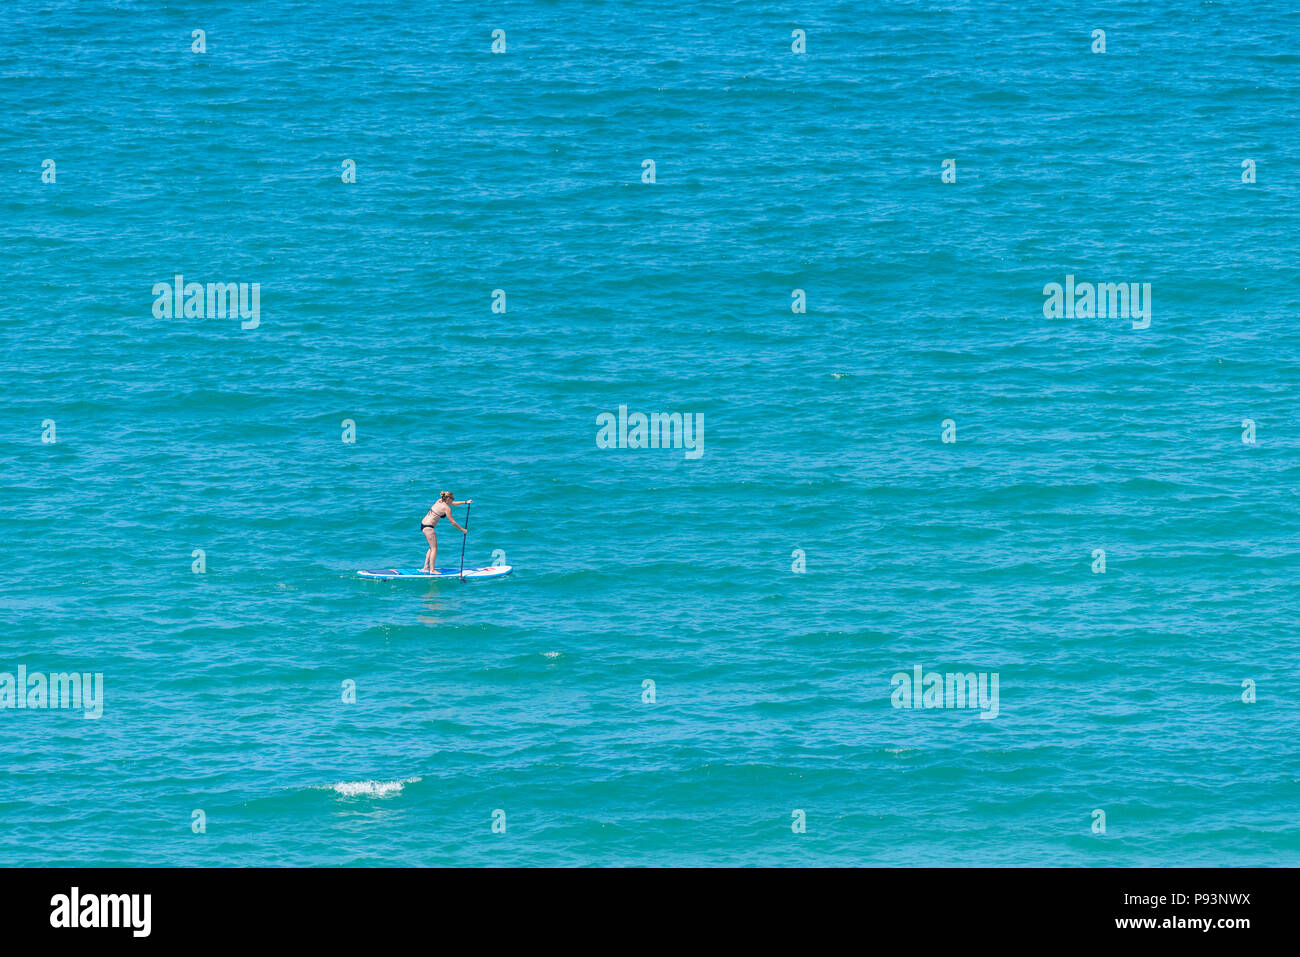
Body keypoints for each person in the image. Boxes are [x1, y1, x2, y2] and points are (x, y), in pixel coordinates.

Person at [421, 491, 470, 572]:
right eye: (452, 498)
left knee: (431, 547)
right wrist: (463, 530)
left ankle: (426, 566)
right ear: (448, 498)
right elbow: (453, 522)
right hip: (429, 528)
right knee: (434, 548)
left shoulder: (439, 500)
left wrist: (465, 502)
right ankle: (432, 570)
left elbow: (453, 503)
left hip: (423, 525)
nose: (453, 500)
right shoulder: (446, 508)